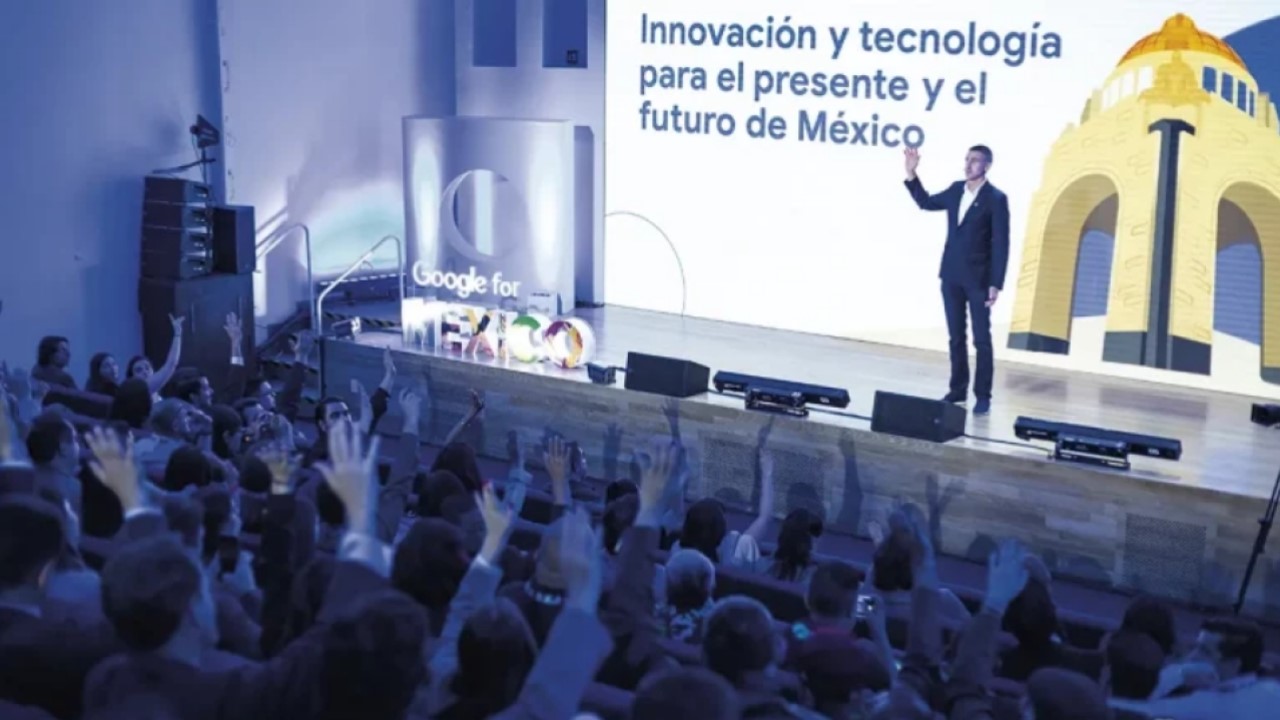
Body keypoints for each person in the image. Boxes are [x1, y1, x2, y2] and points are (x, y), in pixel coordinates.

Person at [903, 145, 1010, 415]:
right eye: (967, 159)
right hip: (951, 275)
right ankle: (958, 389)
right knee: (956, 337)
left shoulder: (996, 198)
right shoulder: (955, 190)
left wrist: (995, 282)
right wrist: (912, 174)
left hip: (979, 279)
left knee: (981, 339)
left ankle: (983, 395)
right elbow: (926, 203)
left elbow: (1001, 243)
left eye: (975, 160)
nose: (968, 164)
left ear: (987, 166)